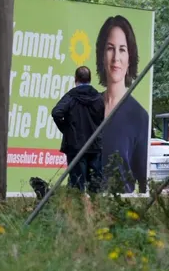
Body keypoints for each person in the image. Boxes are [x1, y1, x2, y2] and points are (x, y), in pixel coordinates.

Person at [96, 15, 149, 193]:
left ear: (130, 57)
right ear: (102, 55)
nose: (116, 58)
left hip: (119, 212)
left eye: (122, 49)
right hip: (80, 212)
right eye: (110, 49)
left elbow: (143, 181)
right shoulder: (86, 106)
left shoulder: (139, 116)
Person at [51, 66, 105, 192]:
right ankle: (95, 209)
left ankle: (79, 209)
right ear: (90, 79)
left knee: (77, 187)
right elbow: (105, 118)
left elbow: (56, 113)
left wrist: (67, 130)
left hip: (76, 147)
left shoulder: (71, 97)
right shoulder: (99, 98)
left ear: (76, 79)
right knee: (95, 186)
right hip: (95, 146)